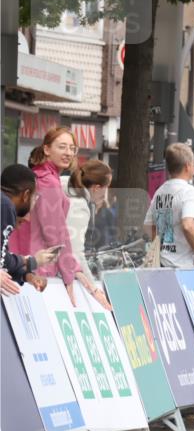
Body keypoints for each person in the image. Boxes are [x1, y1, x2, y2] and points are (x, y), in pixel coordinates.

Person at [8, 127, 110, 308]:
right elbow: (56, 234)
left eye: (72, 148)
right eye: (62, 147)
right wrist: (70, 274)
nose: (68, 153)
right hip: (36, 270)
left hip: (22, 265)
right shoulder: (49, 182)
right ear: (47, 149)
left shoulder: (42, 177)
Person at [143, 142, 194, 269]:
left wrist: (162, 247)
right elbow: (188, 225)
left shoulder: (160, 192)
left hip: (163, 264)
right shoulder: (189, 192)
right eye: (193, 163)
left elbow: (149, 225)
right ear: (187, 166)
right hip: (186, 268)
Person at [1, 164, 57, 295]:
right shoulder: (6, 205)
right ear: (26, 195)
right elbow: (2, 260)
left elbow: (3, 259)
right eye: (34, 197)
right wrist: (32, 261)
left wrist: (26, 276)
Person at [63, 159, 112, 284]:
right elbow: (76, 254)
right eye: (107, 187)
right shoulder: (79, 206)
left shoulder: (64, 185)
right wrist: (93, 287)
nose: (106, 192)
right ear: (96, 188)